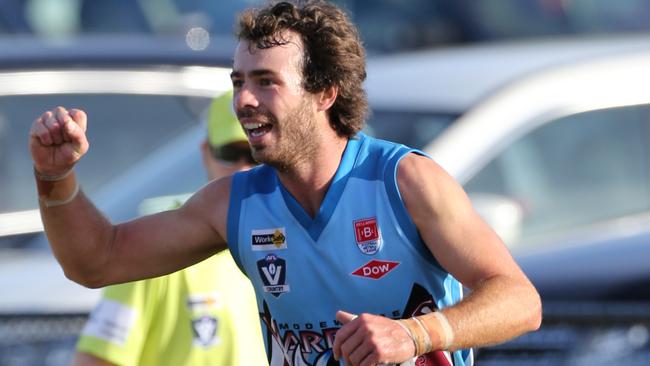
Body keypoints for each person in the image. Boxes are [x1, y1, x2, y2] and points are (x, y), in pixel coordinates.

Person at [29, 1, 542, 365]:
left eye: (266, 82)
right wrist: (56, 178)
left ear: (324, 93)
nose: (244, 101)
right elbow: (97, 260)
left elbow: (520, 299)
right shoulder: (236, 203)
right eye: (238, 82)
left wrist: (415, 334)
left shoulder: (404, 180)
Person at [71, 91, 267, 366]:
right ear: (205, 154)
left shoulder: (290, 237)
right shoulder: (157, 244)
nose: (243, 168)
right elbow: (94, 361)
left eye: (254, 155)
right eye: (229, 153)